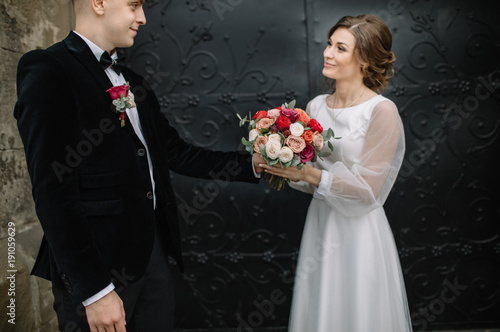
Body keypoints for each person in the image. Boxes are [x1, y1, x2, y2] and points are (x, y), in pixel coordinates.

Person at [14, 0, 265, 331]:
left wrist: (253, 164)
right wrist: (95, 291)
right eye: (134, 5)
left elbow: (175, 152)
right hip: (98, 269)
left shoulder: (132, 80)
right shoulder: (48, 68)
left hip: (153, 257)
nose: (142, 18)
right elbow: (52, 191)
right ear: (99, 3)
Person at [260, 14, 413, 331]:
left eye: (340, 48)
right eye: (329, 44)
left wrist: (309, 176)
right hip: (323, 221)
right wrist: (284, 163)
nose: (328, 53)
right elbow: (311, 177)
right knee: (322, 306)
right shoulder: (316, 107)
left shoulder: (381, 111)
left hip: (360, 231)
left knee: (359, 308)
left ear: (365, 61)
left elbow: (369, 192)